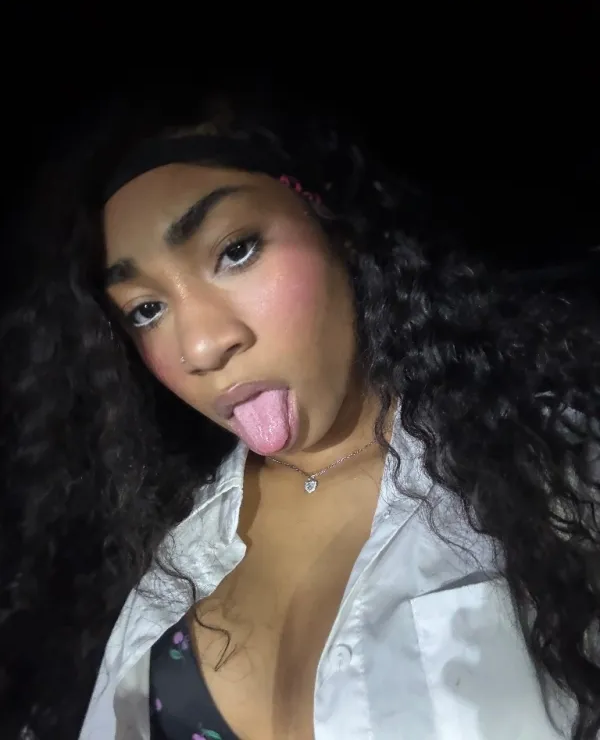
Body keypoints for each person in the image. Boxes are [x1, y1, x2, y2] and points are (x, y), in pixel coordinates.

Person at [1, 93, 599, 740]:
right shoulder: (159, 544)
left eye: (236, 250)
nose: (200, 346)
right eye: (146, 309)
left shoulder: (556, 470)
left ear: (334, 225)